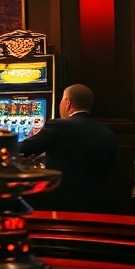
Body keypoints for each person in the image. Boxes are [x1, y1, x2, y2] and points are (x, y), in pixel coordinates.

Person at [18, 84, 118, 213]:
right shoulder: (108, 134)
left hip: (58, 205)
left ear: (67, 103)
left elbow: (23, 149)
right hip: (95, 206)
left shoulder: (59, 126)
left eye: (61, 101)